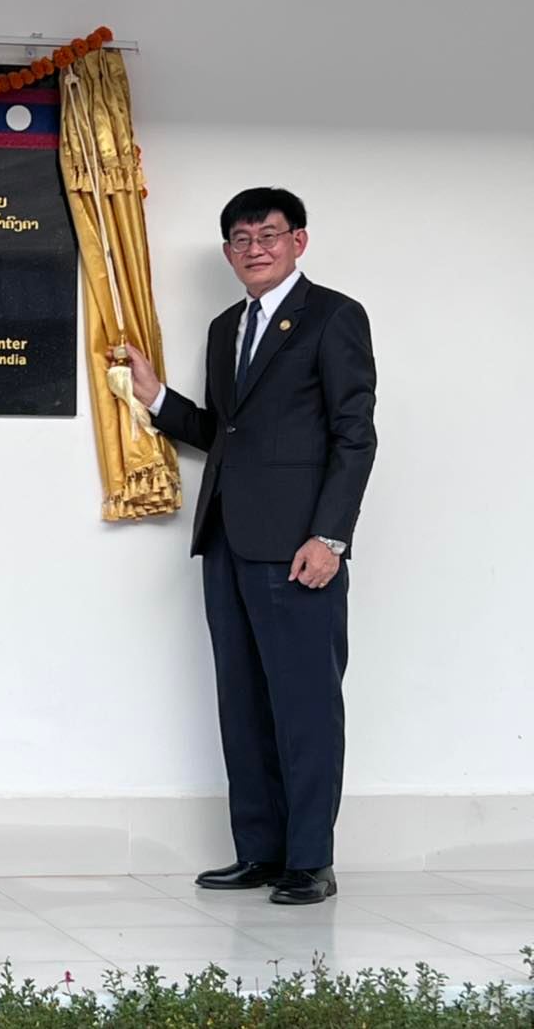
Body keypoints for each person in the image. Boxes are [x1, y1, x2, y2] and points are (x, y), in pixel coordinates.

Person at [116, 187, 376, 905]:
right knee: (244, 703)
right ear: (228, 251)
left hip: (299, 548)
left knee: (304, 706)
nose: (254, 247)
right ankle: (259, 851)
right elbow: (225, 435)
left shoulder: (334, 317)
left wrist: (331, 536)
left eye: (269, 233)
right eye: (240, 237)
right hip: (228, 542)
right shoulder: (226, 325)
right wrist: (157, 399)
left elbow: (355, 435)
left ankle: (309, 862)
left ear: (299, 241)